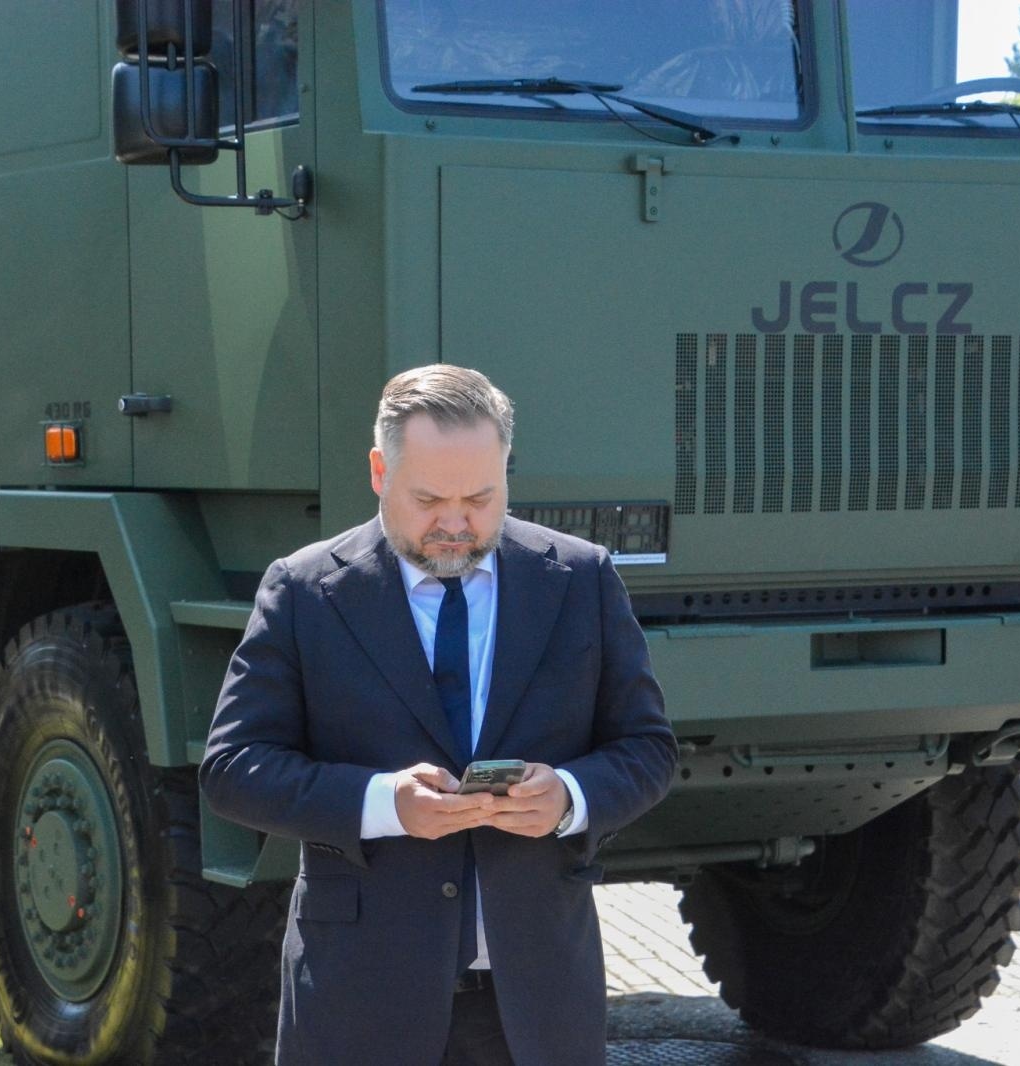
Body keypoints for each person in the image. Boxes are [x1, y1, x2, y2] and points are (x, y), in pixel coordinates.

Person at [201, 364, 678, 1066]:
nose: (455, 524)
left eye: (481, 498)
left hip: (536, 1010)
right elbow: (232, 768)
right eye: (428, 499)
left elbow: (648, 749)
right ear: (378, 471)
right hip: (359, 1004)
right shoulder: (304, 591)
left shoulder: (580, 580)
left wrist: (570, 799)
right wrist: (383, 803)